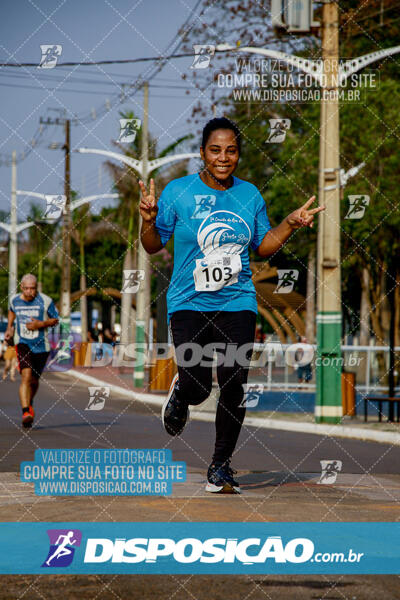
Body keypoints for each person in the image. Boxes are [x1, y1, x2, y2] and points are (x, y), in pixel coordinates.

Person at [139, 117, 324, 494]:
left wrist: (289, 223)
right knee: (198, 386)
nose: (224, 157)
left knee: (234, 383)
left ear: (238, 154)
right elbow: (153, 245)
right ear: (203, 152)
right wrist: (146, 220)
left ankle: (219, 466)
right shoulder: (178, 192)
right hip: (188, 302)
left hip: (237, 301)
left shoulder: (250, 195)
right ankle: (183, 393)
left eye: (231, 150)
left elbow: (263, 244)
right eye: (215, 150)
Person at [5, 274, 59, 428]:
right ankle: (26, 412)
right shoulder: (14, 299)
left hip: (42, 346)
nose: (29, 291)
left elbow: (55, 320)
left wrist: (40, 324)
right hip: (22, 343)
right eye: (26, 288)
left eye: (32, 288)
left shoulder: (45, 300)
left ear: (36, 288)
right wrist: (9, 327)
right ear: (21, 287)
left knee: (34, 381)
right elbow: (11, 311)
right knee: (26, 377)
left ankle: (30, 402)